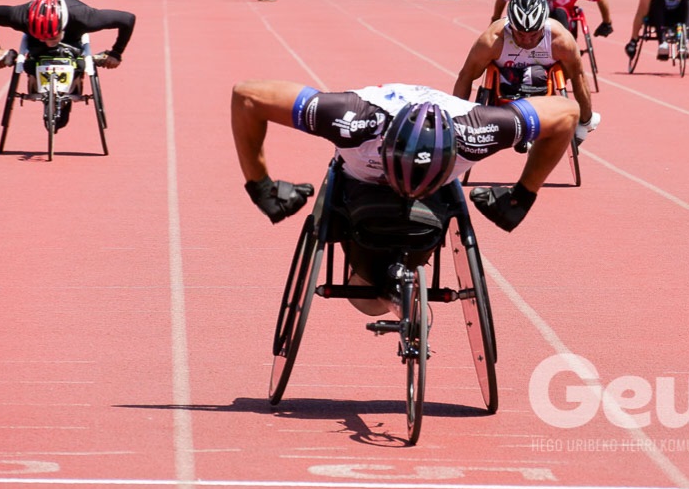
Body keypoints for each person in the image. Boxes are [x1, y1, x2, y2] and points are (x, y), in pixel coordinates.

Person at [231, 80, 578, 316]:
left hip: (427, 198)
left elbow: (567, 113)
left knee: (381, 285)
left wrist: (523, 195)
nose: (405, 192)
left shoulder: (476, 131)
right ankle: (382, 275)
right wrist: (259, 185)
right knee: (366, 298)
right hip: (363, 190)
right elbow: (247, 96)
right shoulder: (352, 119)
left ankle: (397, 277)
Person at [455, 0, 599, 146]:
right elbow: (466, 76)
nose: (527, 40)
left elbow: (577, 75)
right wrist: (457, 120)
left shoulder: (560, 40)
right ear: (510, 26)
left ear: (543, 25)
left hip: (543, 93)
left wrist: (585, 121)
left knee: (568, 71)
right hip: (503, 96)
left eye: (534, 34)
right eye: (520, 34)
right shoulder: (492, 40)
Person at [0, 0, 136, 130]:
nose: (49, 43)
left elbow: (128, 19)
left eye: (52, 38)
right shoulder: (19, 16)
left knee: (79, 63)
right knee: (30, 63)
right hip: (35, 41)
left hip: (71, 37)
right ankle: (33, 73)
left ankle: (69, 91)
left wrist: (116, 53)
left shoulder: (85, 17)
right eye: (44, 39)